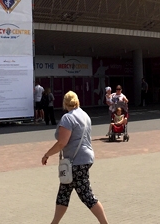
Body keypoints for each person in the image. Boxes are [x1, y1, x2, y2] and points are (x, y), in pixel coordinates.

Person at [41, 91, 109, 224]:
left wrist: (46, 154)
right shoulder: (85, 116)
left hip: (76, 162)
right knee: (63, 194)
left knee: (86, 195)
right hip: (82, 159)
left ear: (65, 103)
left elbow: (62, 142)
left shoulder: (68, 118)